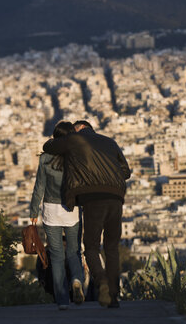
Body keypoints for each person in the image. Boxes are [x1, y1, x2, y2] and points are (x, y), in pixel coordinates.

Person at [43, 120, 130, 308]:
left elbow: (48, 146)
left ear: (78, 129)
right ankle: (113, 296)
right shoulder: (110, 142)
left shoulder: (75, 140)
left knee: (91, 246)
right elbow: (126, 171)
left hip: (93, 198)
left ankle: (102, 282)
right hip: (116, 196)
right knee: (112, 247)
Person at [29, 121, 85, 310]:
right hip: (72, 209)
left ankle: (62, 300)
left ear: (54, 138)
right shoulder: (77, 157)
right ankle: (77, 280)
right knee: (74, 252)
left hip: (51, 210)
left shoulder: (45, 159)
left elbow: (40, 187)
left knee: (56, 257)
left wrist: (33, 211)